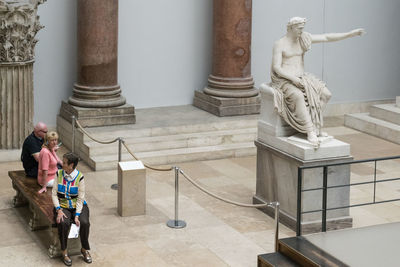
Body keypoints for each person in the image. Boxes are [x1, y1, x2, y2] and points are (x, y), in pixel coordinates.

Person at [270, 17, 365, 146]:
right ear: (291, 27)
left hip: (302, 77)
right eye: (299, 28)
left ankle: (315, 125)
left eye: (303, 28)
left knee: (326, 94)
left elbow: (326, 37)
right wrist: (293, 79)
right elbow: (276, 67)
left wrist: (350, 34)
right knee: (298, 96)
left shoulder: (304, 38)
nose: (301, 31)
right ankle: (310, 131)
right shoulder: (280, 43)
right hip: (285, 80)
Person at [52, 152, 92, 266]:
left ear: (71, 165)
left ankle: (84, 249)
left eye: (64, 163)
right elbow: (54, 194)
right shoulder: (58, 174)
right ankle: (64, 251)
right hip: (63, 206)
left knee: (84, 223)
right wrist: (58, 210)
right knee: (63, 222)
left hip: (78, 206)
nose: (61, 163)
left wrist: (77, 215)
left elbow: (80, 198)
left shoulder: (80, 177)